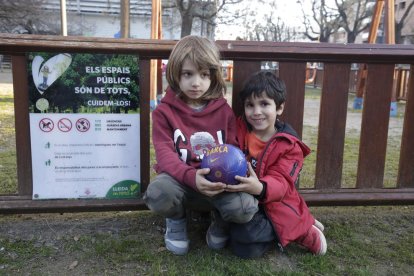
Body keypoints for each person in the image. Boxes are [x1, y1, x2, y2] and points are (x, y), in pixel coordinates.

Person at [143, 35, 258, 255]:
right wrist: (190, 177)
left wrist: (228, 181)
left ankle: (220, 220)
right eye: (188, 74)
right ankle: (176, 220)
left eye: (204, 75)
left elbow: (233, 150)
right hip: (182, 184)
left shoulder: (224, 111)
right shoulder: (163, 112)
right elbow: (165, 155)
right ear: (175, 73)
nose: (196, 83)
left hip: (218, 186)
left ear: (213, 76)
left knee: (245, 207)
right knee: (158, 192)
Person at [225, 70, 327, 258]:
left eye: (264, 104)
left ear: (279, 108)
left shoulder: (289, 145)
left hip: (276, 203)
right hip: (245, 202)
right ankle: (299, 222)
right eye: (250, 105)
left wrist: (260, 187)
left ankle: (303, 230)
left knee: (246, 247)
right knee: (239, 240)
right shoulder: (238, 130)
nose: (256, 112)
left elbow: (282, 181)